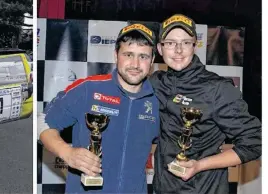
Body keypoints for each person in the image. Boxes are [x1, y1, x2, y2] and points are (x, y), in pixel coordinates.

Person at [38, 24, 160, 193]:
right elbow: (42, 123)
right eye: (128, 54)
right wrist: (67, 152)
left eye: (144, 56)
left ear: (152, 61)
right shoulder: (88, 89)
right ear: (116, 55)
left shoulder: (158, 101)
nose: (135, 63)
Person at [149, 14, 261, 194]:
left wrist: (200, 165)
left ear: (195, 46)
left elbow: (256, 142)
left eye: (185, 42)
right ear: (160, 49)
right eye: (170, 43)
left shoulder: (217, 89)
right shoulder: (156, 82)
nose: (178, 50)